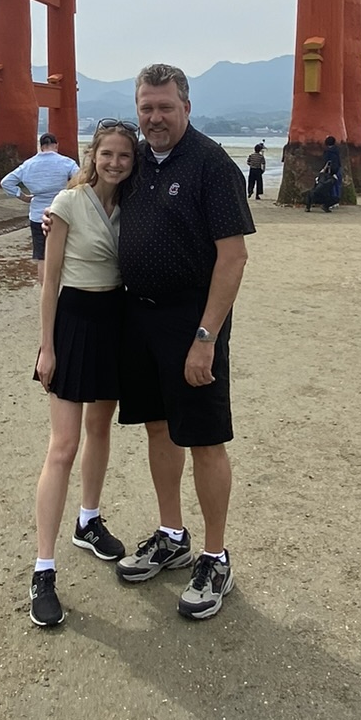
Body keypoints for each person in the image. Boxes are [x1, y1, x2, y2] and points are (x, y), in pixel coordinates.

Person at [113, 63, 254, 620]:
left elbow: (234, 256)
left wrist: (205, 337)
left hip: (192, 322)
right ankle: (172, 532)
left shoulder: (211, 165)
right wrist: (59, 220)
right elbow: (94, 185)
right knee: (157, 426)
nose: (154, 118)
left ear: (186, 107)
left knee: (203, 437)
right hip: (139, 317)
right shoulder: (137, 158)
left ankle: (216, 555)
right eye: (146, 107)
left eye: (165, 107)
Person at [28, 122, 138, 627]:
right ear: (92, 156)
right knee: (63, 445)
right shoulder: (68, 205)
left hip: (115, 322)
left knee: (100, 429)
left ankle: (88, 520)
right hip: (74, 322)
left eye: (124, 155)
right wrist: (46, 348)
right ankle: (43, 569)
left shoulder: (134, 206)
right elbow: (49, 283)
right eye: (107, 153)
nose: (115, 162)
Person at [1, 131, 80, 280]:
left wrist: (22, 196)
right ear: (56, 145)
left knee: (42, 256)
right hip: (62, 212)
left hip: (38, 215)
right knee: (65, 252)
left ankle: (46, 291)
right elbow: (81, 180)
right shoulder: (67, 162)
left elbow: (6, 182)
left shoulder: (28, 164)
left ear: (41, 146)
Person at [305, 137, 342, 212]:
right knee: (336, 185)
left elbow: (327, 162)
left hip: (330, 171)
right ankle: (335, 201)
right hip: (337, 169)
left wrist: (323, 170)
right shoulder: (336, 150)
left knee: (328, 186)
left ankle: (309, 206)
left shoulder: (327, 151)